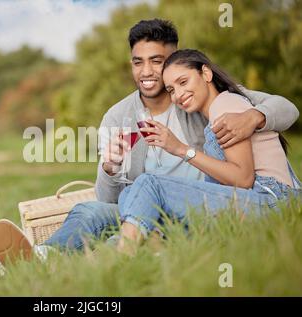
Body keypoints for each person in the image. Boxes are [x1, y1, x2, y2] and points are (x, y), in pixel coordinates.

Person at [0, 19, 299, 270]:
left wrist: (256, 116)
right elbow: (108, 198)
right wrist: (109, 168)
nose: (146, 72)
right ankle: (40, 258)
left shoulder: (198, 95)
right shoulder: (118, 116)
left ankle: (112, 257)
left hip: (203, 205)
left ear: (174, 60)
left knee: (143, 197)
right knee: (89, 211)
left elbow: (287, 108)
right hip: (145, 209)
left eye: (157, 61)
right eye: (137, 62)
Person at [115, 48, 301, 254]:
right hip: (251, 203)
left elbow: (244, 178)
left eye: (183, 82)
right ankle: (153, 244)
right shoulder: (215, 111)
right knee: (130, 193)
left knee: (149, 183)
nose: (178, 95)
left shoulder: (224, 104)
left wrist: (181, 149)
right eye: (171, 90)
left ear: (206, 74)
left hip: (271, 202)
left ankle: (125, 255)